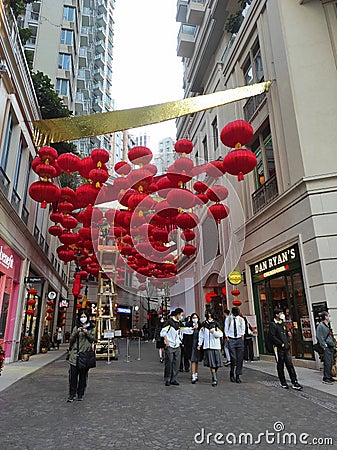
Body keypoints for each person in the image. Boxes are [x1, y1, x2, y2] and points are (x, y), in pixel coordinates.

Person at [269, 308, 303, 390]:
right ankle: (283, 382)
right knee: (280, 365)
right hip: (278, 348)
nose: (282, 315)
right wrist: (281, 344)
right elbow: (272, 337)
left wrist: (287, 341)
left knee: (290, 365)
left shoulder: (283, 324)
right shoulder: (273, 324)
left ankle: (294, 381)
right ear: (276, 315)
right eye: (280, 313)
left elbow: (286, 333)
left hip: (286, 348)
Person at [67, 309, 95, 402]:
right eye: (81, 317)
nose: (83, 319)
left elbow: (93, 339)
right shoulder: (76, 328)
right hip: (75, 355)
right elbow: (71, 339)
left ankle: (80, 394)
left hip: (85, 356)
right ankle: (72, 394)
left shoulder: (91, 328)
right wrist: (76, 332)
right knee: (73, 376)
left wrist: (86, 333)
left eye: (84, 317)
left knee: (83, 377)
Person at [160, 308, 192, 386]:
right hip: (170, 345)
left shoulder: (179, 323)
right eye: (181, 315)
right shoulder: (169, 322)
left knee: (176, 363)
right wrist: (166, 341)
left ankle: (173, 378)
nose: (182, 316)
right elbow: (163, 332)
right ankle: (167, 379)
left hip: (177, 345)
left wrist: (192, 329)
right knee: (169, 362)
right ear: (177, 315)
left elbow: (184, 330)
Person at [198, 309, 223, 386]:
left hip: (215, 345)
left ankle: (214, 373)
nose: (209, 315)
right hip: (207, 346)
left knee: (217, 363)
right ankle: (214, 378)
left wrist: (214, 333)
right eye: (207, 314)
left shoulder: (216, 324)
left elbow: (221, 334)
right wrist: (200, 344)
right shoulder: (204, 324)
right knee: (212, 363)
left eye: (210, 314)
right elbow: (201, 335)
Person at [225, 307, 245, 383]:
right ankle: (232, 373)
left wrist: (242, 335)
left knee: (240, 358)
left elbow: (243, 328)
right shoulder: (229, 319)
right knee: (233, 358)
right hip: (231, 339)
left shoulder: (241, 319)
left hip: (239, 338)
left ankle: (238, 375)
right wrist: (227, 336)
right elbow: (226, 328)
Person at [316, 311, 336, 384]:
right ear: (325, 317)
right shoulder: (321, 326)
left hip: (331, 346)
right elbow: (319, 337)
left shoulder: (327, 325)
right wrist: (324, 345)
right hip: (326, 346)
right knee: (327, 362)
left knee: (331, 362)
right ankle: (326, 378)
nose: (330, 317)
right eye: (328, 316)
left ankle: (329, 376)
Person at [186, 313, 203, 383]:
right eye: (193, 317)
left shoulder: (200, 326)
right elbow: (186, 334)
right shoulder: (189, 325)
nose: (195, 319)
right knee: (193, 360)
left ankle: (196, 373)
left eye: (196, 317)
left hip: (198, 344)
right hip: (191, 344)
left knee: (196, 360)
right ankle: (193, 375)